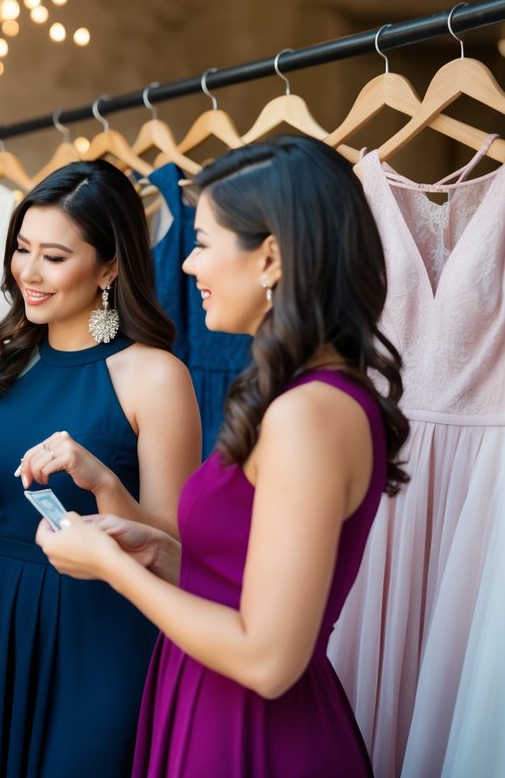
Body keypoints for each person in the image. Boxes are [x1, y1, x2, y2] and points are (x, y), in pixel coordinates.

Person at [34, 136, 411, 776]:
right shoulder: (297, 398)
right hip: (206, 699)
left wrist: (110, 567)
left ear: (269, 257)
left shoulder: (307, 414)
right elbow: (248, 589)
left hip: (253, 735)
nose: (186, 266)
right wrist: (159, 555)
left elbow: (268, 659)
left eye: (203, 243)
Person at [0, 157, 200, 777]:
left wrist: (102, 482)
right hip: (0, 620)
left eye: (54, 255)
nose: (28, 273)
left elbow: (174, 547)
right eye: (21, 249)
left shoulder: (155, 375)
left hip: (102, 632)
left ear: (111, 265)